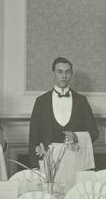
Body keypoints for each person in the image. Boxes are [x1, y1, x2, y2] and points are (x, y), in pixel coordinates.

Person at [29, 57, 99, 186]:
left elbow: (94, 132)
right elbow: (33, 137)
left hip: (76, 161)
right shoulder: (41, 101)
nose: (64, 76)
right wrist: (35, 167)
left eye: (67, 72)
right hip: (49, 162)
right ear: (54, 73)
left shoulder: (81, 101)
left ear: (71, 74)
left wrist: (77, 136)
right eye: (60, 72)